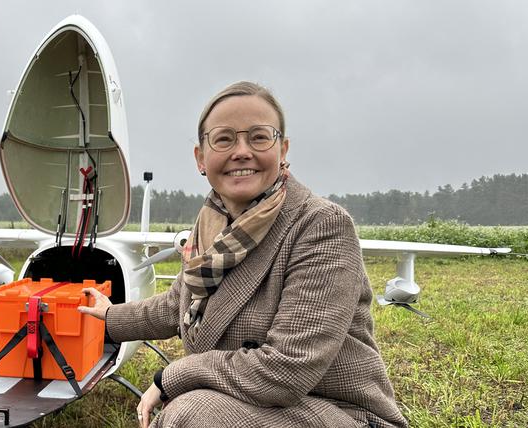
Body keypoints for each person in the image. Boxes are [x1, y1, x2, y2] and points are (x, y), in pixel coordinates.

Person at [78, 81, 408, 427]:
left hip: (336, 411)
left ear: (283, 150)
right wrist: (110, 317)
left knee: (192, 415)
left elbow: (287, 368)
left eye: (259, 137)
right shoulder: (212, 226)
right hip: (255, 403)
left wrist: (171, 377)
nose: (241, 151)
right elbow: (177, 304)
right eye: (223, 139)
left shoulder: (321, 226)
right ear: (200, 159)